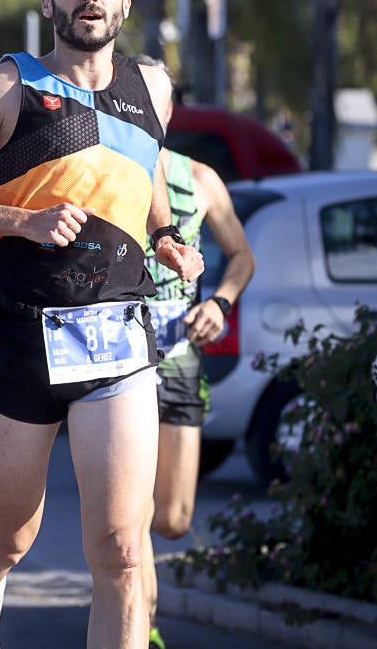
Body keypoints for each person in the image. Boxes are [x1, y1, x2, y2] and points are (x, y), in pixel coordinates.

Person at [0, 0, 204, 649]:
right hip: (22, 336)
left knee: (124, 550)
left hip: (118, 339)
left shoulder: (153, 87)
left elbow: (147, 169)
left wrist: (165, 234)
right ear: (50, 2)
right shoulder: (8, 85)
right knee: (10, 536)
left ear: (125, 1)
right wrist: (20, 221)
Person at [142, 147, 255, 649]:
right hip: (122, 362)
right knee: (130, 520)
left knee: (172, 519)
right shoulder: (112, 159)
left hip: (182, 360)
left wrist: (220, 302)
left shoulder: (202, 178)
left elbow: (242, 255)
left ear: (166, 107)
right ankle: (140, 629)